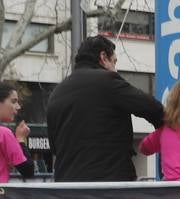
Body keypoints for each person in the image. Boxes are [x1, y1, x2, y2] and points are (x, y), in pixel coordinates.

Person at [46, 35, 165, 181]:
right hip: (109, 184)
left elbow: (54, 147)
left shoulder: (56, 93)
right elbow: (152, 108)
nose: (115, 69)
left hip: (67, 187)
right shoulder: (108, 80)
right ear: (103, 57)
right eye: (114, 62)